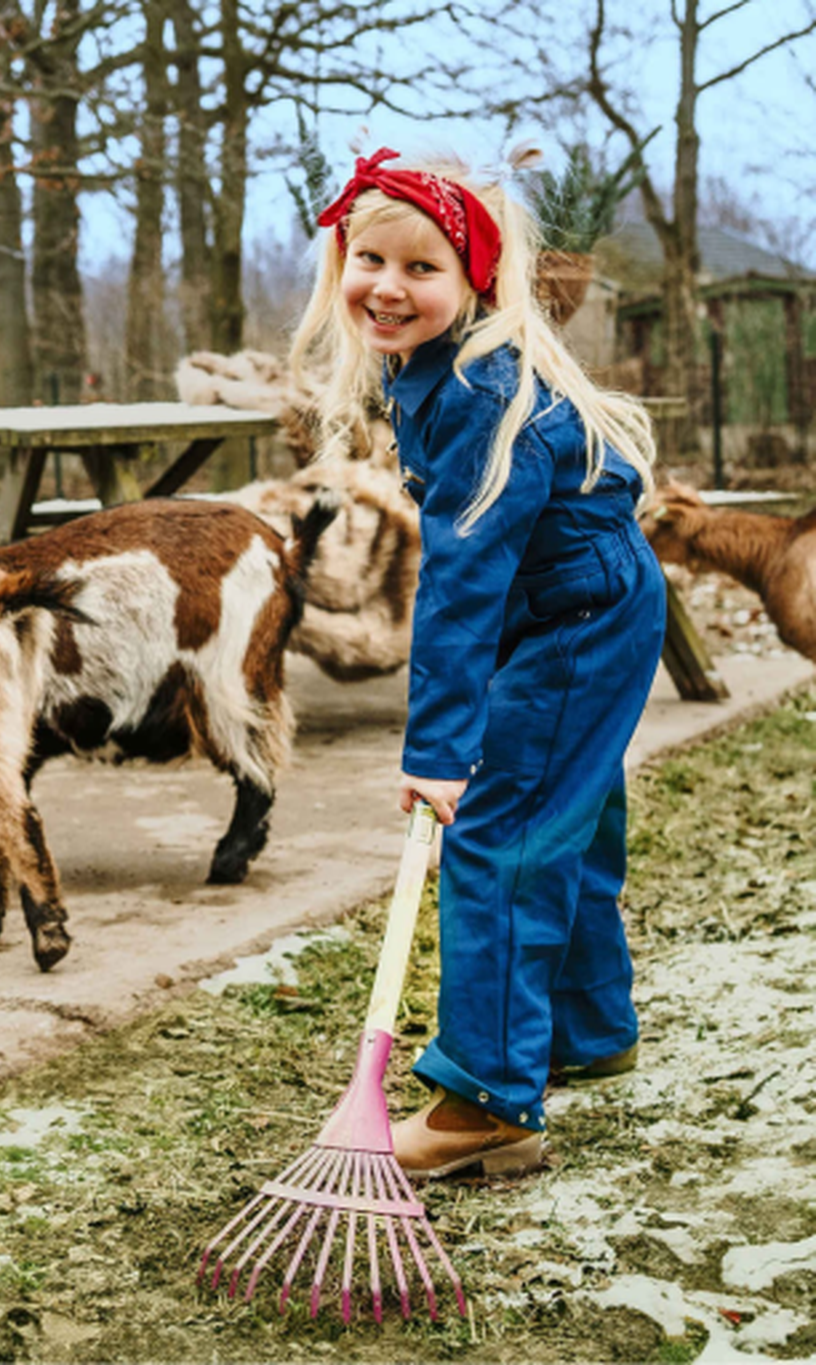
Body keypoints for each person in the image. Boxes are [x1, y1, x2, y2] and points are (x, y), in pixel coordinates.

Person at [293, 147, 665, 1180]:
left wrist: (438, 753)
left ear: (473, 287)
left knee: (498, 836)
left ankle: (487, 1103)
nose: (387, 285)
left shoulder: (476, 389)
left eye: (422, 270)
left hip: (572, 619)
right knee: (565, 813)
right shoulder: (432, 367)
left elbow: (457, 581)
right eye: (370, 258)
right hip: (589, 598)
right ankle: (586, 1028)